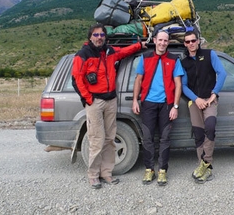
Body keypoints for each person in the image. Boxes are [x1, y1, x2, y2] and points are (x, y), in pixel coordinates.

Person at [72, 23, 146, 189]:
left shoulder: (110, 51)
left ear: (105, 37)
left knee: (110, 139)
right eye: (96, 35)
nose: (99, 38)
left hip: (111, 100)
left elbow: (125, 51)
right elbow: (76, 79)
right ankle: (93, 175)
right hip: (95, 102)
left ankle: (106, 173)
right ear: (90, 37)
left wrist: (140, 45)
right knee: (96, 139)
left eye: (101, 35)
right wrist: (88, 99)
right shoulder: (83, 55)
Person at [132, 30, 184, 186]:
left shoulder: (174, 59)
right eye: (160, 40)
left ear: (168, 42)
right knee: (147, 138)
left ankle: (162, 171)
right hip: (148, 103)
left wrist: (175, 106)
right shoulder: (145, 57)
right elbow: (138, 80)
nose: (162, 43)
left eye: (165, 41)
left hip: (167, 105)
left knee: (165, 138)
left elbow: (178, 84)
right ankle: (149, 169)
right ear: (154, 40)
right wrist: (135, 100)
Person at [181, 31, 227, 184]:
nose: (191, 44)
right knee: (199, 133)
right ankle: (205, 169)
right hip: (195, 101)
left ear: (198, 41)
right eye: (187, 42)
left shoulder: (209, 54)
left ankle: (205, 162)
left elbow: (222, 73)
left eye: (193, 40)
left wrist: (214, 94)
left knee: (210, 127)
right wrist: (196, 99)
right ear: (184, 44)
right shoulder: (184, 62)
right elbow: (183, 85)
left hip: (210, 100)